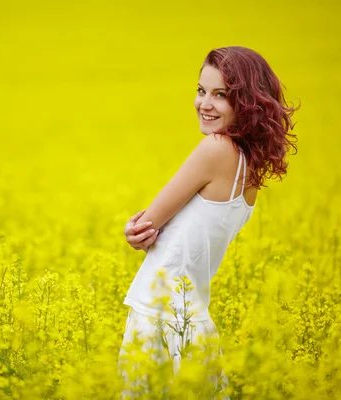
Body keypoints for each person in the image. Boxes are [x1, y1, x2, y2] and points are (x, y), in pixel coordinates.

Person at [117, 46, 299, 399]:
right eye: (201, 91)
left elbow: (145, 226)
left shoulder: (216, 149)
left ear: (247, 102)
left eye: (221, 95)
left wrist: (132, 230)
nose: (205, 104)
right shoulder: (249, 166)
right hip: (192, 321)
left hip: (160, 317)